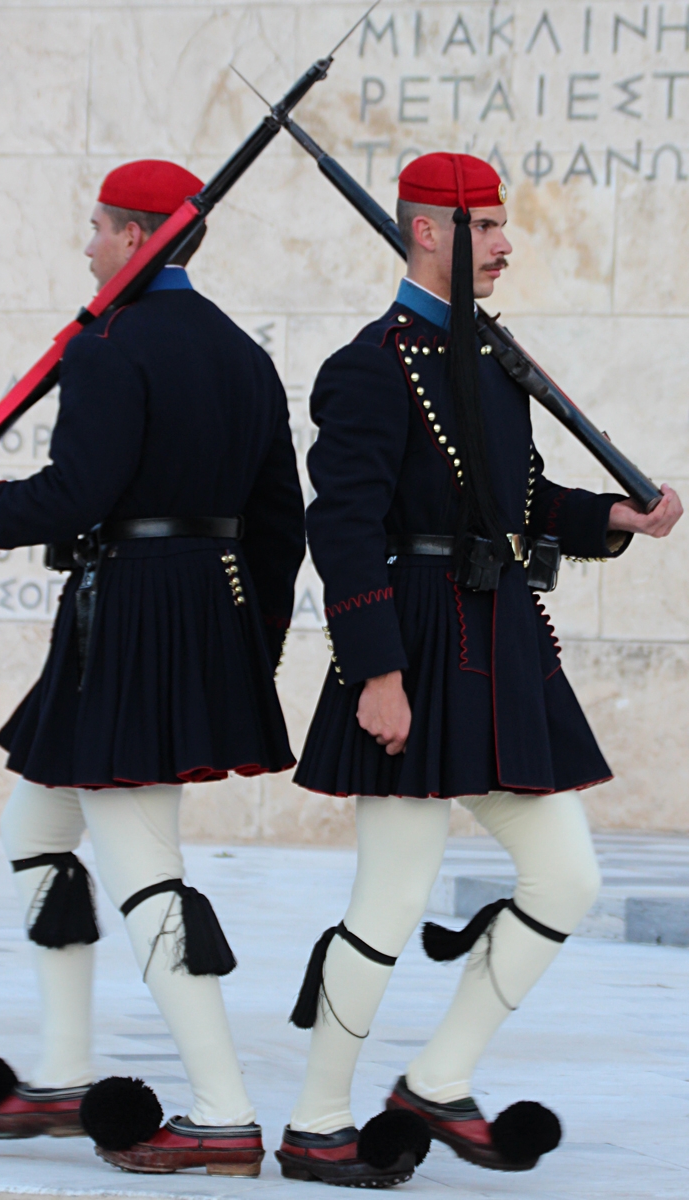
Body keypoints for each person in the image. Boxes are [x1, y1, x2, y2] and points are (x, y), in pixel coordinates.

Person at [276, 152, 683, 1185]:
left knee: (566, 876)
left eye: (501, 225)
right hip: (410, 641)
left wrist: (610, 517)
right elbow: (344, 525)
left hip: (497, 641)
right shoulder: (369, 366)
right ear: (426, 231)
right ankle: (317, 1123)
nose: (505, 243)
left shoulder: (489, 357)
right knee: (390, 894)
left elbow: (521, 498)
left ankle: (435, 1082)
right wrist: (373, 670)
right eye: (487, 226)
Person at [0, 159, 305, 1177]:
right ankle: (66, 1071)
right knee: (36, 824)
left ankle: (220, 1114)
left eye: (96, 228)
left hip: (128, 611)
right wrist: (242, 652)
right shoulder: (240, 355)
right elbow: (277, 528)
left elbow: (74, 494)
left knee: (141, 860)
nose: (84, 245)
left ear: (137, 237)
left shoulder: (111, 345)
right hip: (196, 613)